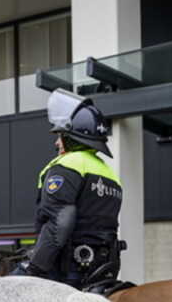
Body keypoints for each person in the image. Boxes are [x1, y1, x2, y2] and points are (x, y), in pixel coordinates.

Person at [11, 90, 123, 288]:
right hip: (101, 268)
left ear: (73, 136)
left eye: (61, 136)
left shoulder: (68, 164)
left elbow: (59, 223)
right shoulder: (108, 172)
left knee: (4, 291)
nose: (56, 143)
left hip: (67, 270)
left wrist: (34, 268)